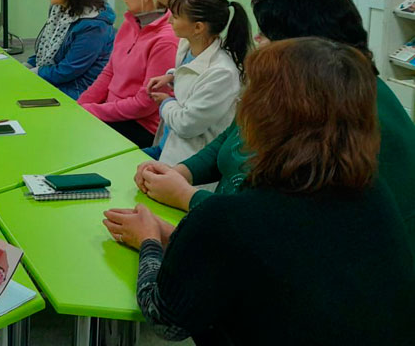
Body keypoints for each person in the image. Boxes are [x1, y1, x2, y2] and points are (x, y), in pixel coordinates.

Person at [105, 38, 415, 344]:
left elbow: (165, 318)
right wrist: (180, 238)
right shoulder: (374, 194)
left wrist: (148, 241)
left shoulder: (230, 216)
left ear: (265, 117)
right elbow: (278, 261)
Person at [135, 0, 415, 252]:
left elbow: (278, 226)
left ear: (304, 49)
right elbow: (232, 139)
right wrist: (179, 173)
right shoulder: (306, 91)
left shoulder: (340, 115)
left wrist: (184, 197)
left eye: (266, 34)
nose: (257, 41)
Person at [144, 0, 251, 163]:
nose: (169, 20)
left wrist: (165, 102)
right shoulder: (187, 46)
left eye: (175, 16)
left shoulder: (222, 73)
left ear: (198, 27)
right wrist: (172, 76)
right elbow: (192, 75)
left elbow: (186, 125)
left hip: (187, 160)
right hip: (166, 145)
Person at [78, 0, 178, 148]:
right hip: (114, 111)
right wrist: (82, 104)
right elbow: (109, 72)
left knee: (78, 138)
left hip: (141, 125)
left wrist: (93, 110)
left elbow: (145, 104)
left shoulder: (166, 40)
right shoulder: (130, 23)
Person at [26, 0, 116, 99]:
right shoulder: (59, 9)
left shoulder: (94, 26)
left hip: (78, 91)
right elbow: (48, 50)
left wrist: (34, 73)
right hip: (60, 81)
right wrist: (28, 65)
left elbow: (69, 70)